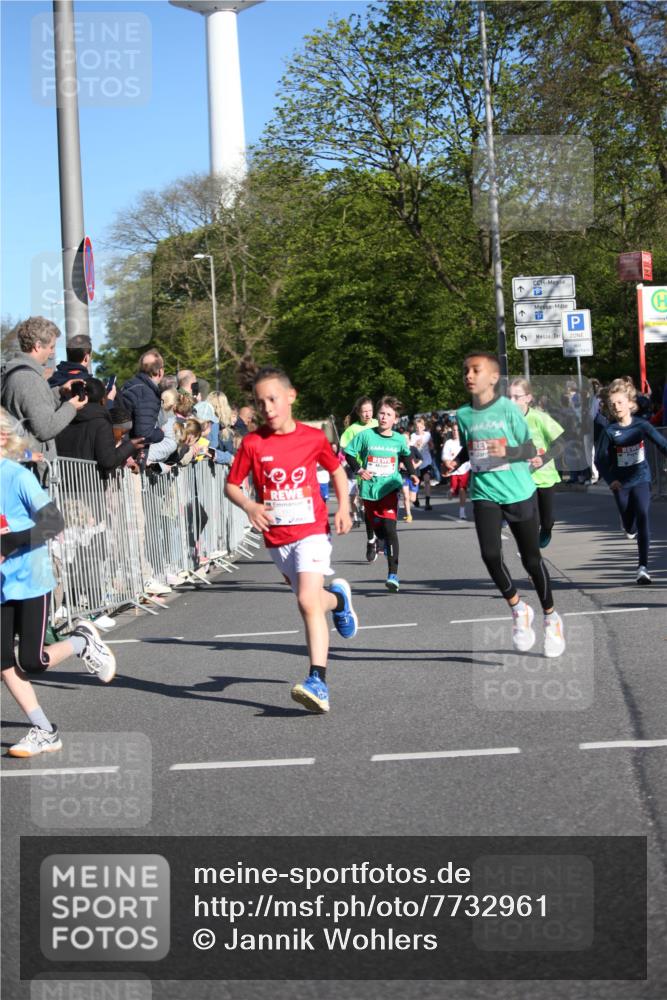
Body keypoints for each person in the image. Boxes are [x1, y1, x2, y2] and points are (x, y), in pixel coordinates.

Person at [225, 366, 357, 714]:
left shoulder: (312, 438)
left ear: (291, 396)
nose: (267, 407)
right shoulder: (253, 444)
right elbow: (232, 484)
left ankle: (318, 681)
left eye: (273, 399)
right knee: (314, 600)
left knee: (305, 602)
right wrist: (250, 504)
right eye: (260, 401)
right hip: (277, 539)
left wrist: (343, 506)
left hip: (312, 532)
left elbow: (337, 470)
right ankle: (339, 601)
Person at [1, 408, 117, 758]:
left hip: (32, 580)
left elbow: (55, 522)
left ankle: (82, 642)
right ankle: (44, 730)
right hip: (2, 585)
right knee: (3, 659)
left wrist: (10, 542)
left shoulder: (16, 477)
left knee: (32, 661)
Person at [444, 352, 565, 657]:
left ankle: (551, 617)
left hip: (519, 491)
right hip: (484, 492)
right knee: (489, 554)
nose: (468, 376)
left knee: (532, 561)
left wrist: (507, 451)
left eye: (476, 370)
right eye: (465, 371)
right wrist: (455, 463)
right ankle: (518, 608)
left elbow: (529, 448)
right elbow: (473, 449)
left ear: (493, 378)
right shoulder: (463, 414)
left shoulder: (509, 409)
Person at [595, 378, 667, 585]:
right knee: (630, 524)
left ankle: (642, 567)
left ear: (629, 403)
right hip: (620, 484)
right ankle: (627, 525)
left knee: (643, 514)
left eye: (620, 402)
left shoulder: (641, 426)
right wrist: (611, 479)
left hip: (641, 478)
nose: (616, 407)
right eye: (613, 404)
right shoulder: (609, 432)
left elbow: (662, 444)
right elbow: (599, 460)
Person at [344, 396, 419, 592]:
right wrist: (359, 470)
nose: (384, 417)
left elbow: (405, 455)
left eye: (389, 415)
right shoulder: (366, 436)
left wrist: (412, 474)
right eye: (382, 413)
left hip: (389, 489)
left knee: (390, 528)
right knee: (377, 528)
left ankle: (393, 574)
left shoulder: (399, 439)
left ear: (395, 419)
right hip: (369, 490)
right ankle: (378, 539)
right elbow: (349, 453)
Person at [1, 316, 87, 481]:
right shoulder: (29, 379)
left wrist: (60, 392)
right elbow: (45, 428)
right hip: (33, 473)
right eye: (51, 347)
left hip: (21, 469)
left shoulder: (14, 372)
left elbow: (32, 406)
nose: (52, 352)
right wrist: (71, 406)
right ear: (38, 346)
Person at [508, 378, 565, 547]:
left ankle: (547, 529)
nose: (512, 401)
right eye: (509, 397)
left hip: (545, 477)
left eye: (516, 397)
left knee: (546, 521)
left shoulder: (540, 418)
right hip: (522, 480)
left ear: (528, 398)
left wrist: (543, 458)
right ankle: (534, 564)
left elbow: (561, 444)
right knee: (531, 521)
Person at [55, 378, 140, 475]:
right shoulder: (101, 423)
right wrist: (130, 445)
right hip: (89, 484)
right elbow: (108, 461)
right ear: (103, 400)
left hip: (61, 482)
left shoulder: (63, 415)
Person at [339, 396, 379, 561]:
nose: (368, 414)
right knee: (369, 509)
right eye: (364, 412)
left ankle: (381, 537)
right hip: (365, 474)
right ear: (358, 413)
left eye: (370, 411)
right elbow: (345, 452)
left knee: (383, 509)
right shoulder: (353, 430)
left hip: (384, 473)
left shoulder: (379, 423)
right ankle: (371, 541)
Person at [120, 350, 166, 445]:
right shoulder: (147, 394)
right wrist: (160, 433)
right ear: (160, 371)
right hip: (125, 450)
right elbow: (144, 435)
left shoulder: (130, 385)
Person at [441, 420, 470, 520]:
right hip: (453, 471)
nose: (455, 432)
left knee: (463, 489)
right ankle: (451, 492)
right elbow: (445, 457)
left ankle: (462, 511)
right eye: (454, 430)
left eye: (457, 430)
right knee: (454, 489)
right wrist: (448, 465)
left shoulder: (465, 441)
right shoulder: (448, 443)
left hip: (465, 469)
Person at [410, 416, 435, 510]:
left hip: (426, 461)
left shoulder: (428, 435)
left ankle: (427, 502)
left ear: (423, 427)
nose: (418, 429)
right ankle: (415, 498)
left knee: (427, 480)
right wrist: (416, 444)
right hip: (417, 463)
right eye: (417, 427)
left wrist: (431, 445)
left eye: (420, 427)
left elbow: (432, 446)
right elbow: (411, 449)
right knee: (417, 483)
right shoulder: (413, 436)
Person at [399, 429, 421, 522]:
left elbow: (421, 459)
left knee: (412, 498)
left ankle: (415, 499)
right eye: (402, 438)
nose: (404, 440)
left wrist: (415, 465)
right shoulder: (399, 450)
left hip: (413, 475)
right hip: (403, 475)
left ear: (409, 439)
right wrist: (399, 465)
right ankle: (409, 515)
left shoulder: (413, 449)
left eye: (406, 438)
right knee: (406, 496)